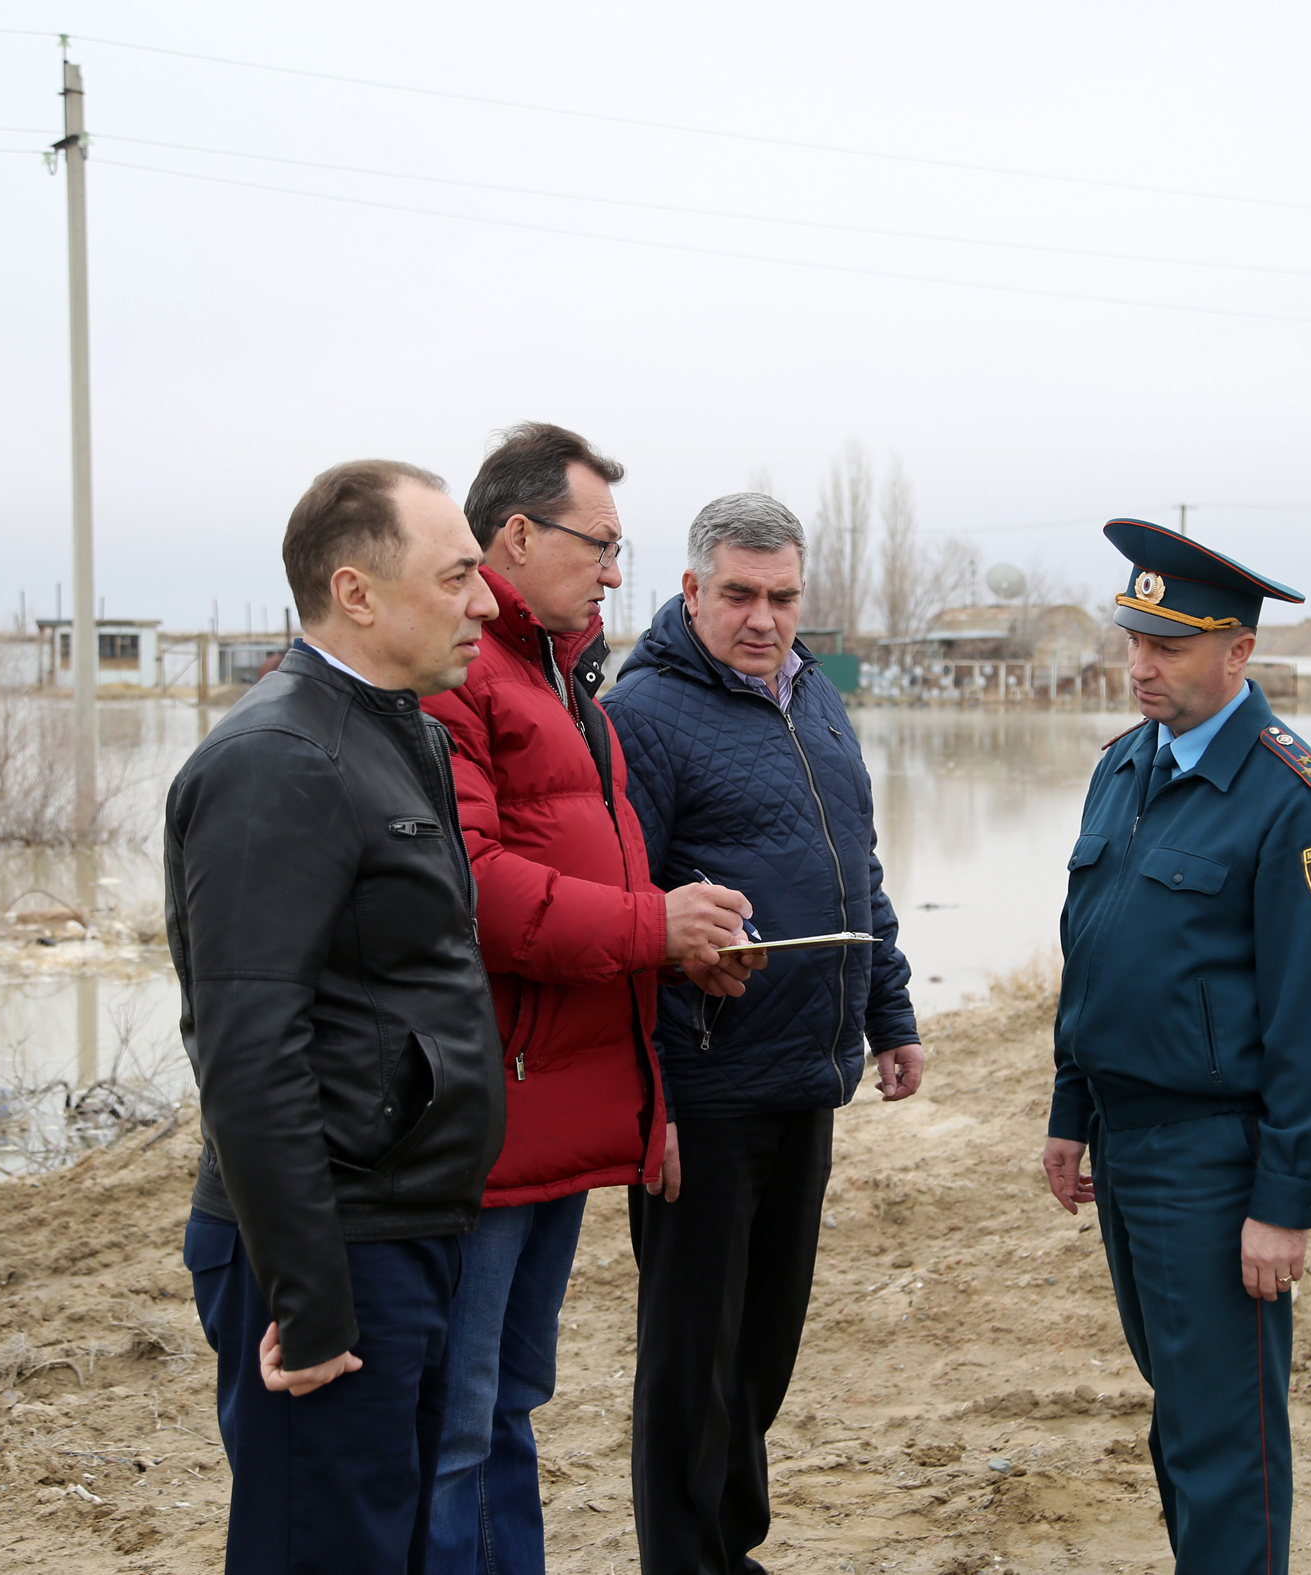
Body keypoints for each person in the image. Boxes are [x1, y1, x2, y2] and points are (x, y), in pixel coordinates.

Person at [418, 424, 763, 1573]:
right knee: (457, 1421)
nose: (615, 572)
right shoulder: (462, 678)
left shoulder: (564, 681)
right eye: (599, 545)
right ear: (515, 536)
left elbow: (593, 880)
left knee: (509, 1400)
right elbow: (471, 889)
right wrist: (650, 927)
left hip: (557, 1106)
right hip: (487, 1110)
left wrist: (672, 949)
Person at [164, 459, 506, 1574]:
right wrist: (308, 1300)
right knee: (322, 1547)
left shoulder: (398, 731)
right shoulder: (280, 759)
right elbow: (247, 1049)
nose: (484, 601)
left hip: (408, 1226)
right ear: (355, 592)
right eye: (456, 576)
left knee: (384, 1540)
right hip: (333, 1244)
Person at [599, 492, 926, 1575]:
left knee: (763, 1347)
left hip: (804, 1074)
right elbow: (623, 909)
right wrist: (647, 1097)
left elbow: (858, 868)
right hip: (703, 1084)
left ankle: (728, 1549)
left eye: (782, 597)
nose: (763, 618)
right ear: (691, 589)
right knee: (692, 1357)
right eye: (739, 594)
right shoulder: (640, 714)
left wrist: (887, 1012)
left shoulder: (815, 697)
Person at [1041, 519, 1311, 1575]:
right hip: (1126, 1142)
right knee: (1179, 1416)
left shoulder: (1296, 804)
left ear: (1239, 651)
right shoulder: (1123, 767)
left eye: (1170, 647)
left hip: (1215, 1160)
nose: (1141, 665)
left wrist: (1285, 1202)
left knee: (1227, 1439)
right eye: (1135, 641)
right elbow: (1092, 955)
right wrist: (1070, 1110)